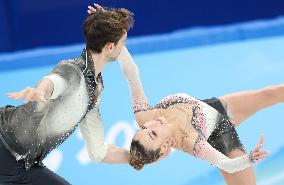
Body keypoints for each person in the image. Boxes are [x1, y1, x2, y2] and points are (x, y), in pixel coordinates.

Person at [0, 4, 134, 185]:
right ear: (110, 47)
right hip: (4, 143)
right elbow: (52, 82)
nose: (124, 48)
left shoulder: (95, 89)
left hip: (23, 165)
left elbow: (98, 151)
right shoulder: (72, 70)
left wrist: (138, 158)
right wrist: (40, 91)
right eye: (123, 43)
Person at [116, 47, 282, 185]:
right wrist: (250, 158)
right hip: (221, 140)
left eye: (144, 128)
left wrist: (117, 40)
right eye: (153, 133)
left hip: (214, 108)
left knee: (267, 94)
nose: (151, 125)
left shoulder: (145, 116)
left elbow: (132, 75)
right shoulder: (193, 143)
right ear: (166, 146)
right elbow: (227, 165)